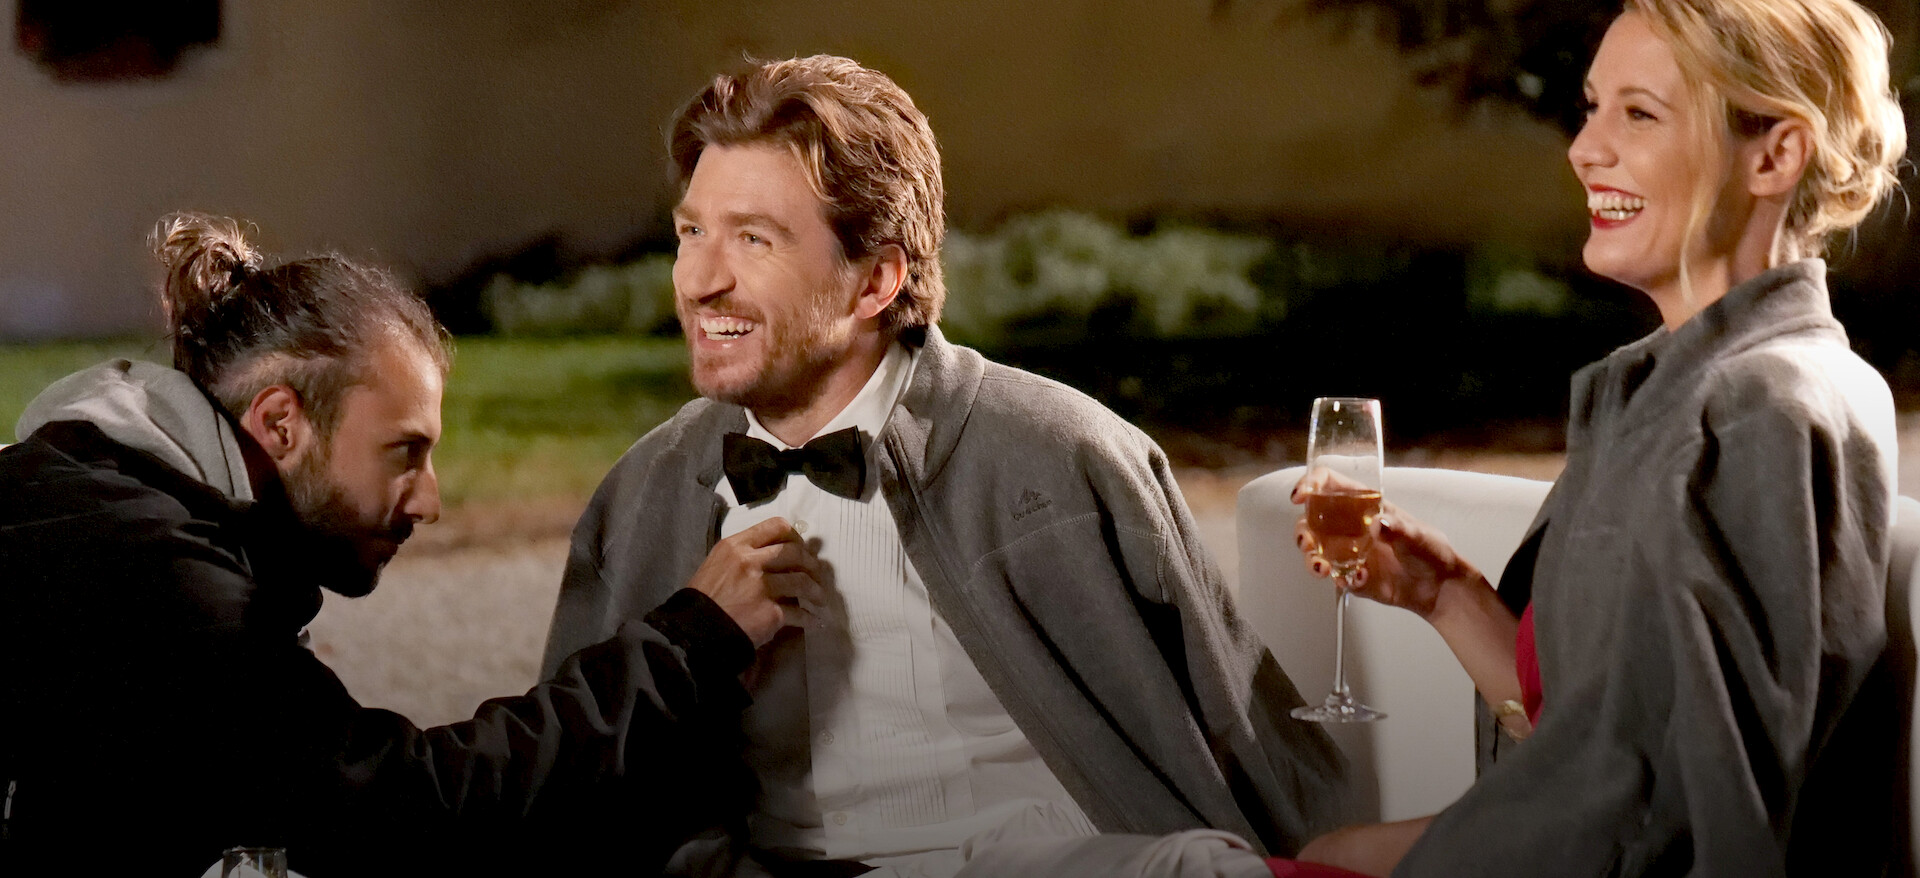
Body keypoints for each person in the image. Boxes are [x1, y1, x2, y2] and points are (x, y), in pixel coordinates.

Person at [540, 55, 1351, 877]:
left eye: (754, 239)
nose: (700, 280)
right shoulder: (644, 495)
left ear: (874, 282)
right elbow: (566, 791)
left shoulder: (1061, 456)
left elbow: (1244, 735)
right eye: (691, 233)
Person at [0, 214, 825, 876]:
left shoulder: (95, 504)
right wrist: (689, 643)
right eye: (404, 452)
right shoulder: (155, 577)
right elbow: (407, 816)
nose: (429, 502)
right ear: (281, 423)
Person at [1289, 0, 1906, 874]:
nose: (1585, 149)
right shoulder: (1669, 387)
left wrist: (1370, 855)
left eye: (1640, 114)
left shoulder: (1753, 408)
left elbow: (1693, 821)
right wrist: (1446, 597)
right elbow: (1602, 742)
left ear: (1773, 156)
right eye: (1592, 107)